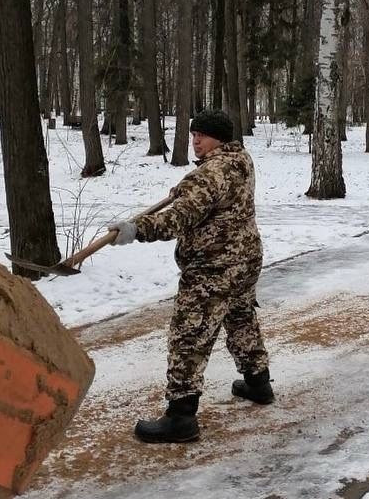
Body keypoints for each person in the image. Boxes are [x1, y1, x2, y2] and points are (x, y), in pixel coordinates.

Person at [106, 109, 273, 443]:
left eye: (203, 135)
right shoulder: (241, 160)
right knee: (240, 319)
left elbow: (178, 219)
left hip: (213, 268)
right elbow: (205, 203)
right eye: (194, 134)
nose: (195, 140)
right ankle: (258, 383)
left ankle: (181, 416)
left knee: (189, 335)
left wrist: (136, 229)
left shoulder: (210, 174)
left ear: (219, 139)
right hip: (244, 260)